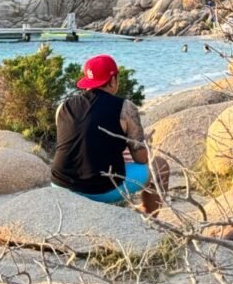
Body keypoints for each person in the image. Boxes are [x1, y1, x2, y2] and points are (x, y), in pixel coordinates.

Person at [50, 54, 169, 214]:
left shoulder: (63, 107)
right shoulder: (126, 108)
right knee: (161, 167)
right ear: (113, 80)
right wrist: (145, 143)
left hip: (61, 183)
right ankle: (149, 219)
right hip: (101, 188)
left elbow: (81, 143)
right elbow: (141, 158)